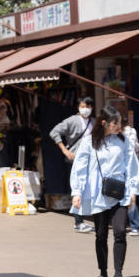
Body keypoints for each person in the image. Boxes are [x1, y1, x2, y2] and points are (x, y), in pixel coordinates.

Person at [70, 104, 139, 277]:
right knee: (101, 235)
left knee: (119, 232)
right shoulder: (89, 142)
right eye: (114, 123)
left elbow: (132, 165)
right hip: (97, 193)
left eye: (119, 123)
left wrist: (133, 189)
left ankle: (118, 274)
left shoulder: (123, 141)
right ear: (104, 123)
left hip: (119, 193)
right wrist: (77, 192)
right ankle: (103, 272)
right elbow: (80, 168)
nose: (118, 126)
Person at [50, 96, 95, 233]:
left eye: (88, 106)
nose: (85, 109)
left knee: (91, 188)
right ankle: (78, 221)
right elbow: (54, 132)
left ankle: (91, 217)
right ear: (78, 107)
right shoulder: (72, 120)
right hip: (75, 159)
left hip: (92, 161)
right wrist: (64, 150)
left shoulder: (94, 122)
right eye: (83, 106)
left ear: (92, 108)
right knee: (77, 189)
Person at [123, 117, 139, 236]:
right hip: (119, 170)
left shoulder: (130, 131)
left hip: (130, 170)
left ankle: (136, 226)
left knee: (130, 197)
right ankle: (127, 225)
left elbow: (132, 147)